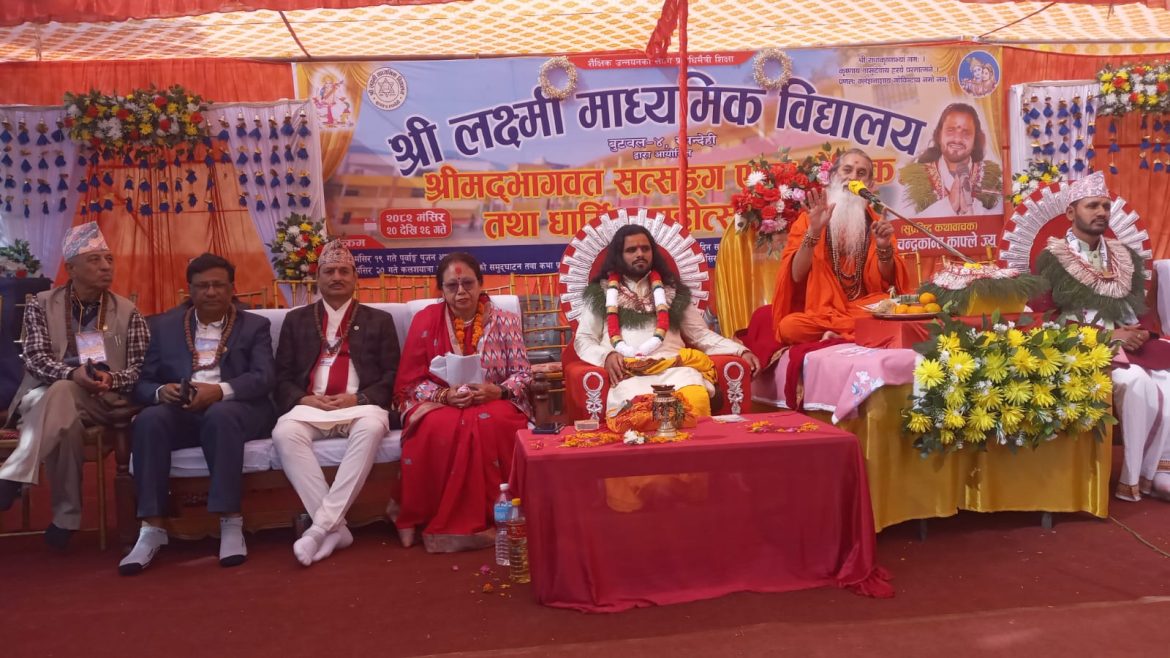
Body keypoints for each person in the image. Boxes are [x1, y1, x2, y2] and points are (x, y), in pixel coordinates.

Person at [119, 253, 276, 575]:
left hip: (237, 410)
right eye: (202, 286)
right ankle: (152, 528)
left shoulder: (255, 325)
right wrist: (161, 392)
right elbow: (142, 382)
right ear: (189, 290)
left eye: (219, 285)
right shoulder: (163, 327)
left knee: (220, 416)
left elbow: (264, 378)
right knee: (149, 420)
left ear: (232, 288)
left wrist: (219, 391)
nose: (211, 292)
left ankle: (230, 521)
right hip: (182, 410)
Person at [0, 222, 148, 549]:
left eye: (109, 259)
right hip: (44, 395)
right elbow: (35, 359)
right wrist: (71, 375)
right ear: (71, 269)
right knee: (63, 406)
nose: (106, 266)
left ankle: (13, 476)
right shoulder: (41, 304)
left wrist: (112, 378)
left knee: (61, 396)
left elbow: (141, 368)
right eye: (95, 260)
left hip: (103, 400)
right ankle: (64, 519)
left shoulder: (128, 311)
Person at [1031, 171, 1170, 503]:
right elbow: (1042, 318)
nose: (1101, 212)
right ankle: (1136, 476)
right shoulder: (1052, 258)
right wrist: (1108, 335)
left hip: (1129, 343)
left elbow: (1140, 308)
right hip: (1082, 347)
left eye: (1105, 206)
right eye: (1092, 205)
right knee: (1137, 383)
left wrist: (1139, 332)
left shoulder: (1124, 255)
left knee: (1167, 377)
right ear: (1071, 212)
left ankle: (1162, 469)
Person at [391, 252, 532, 553]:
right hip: (441, 402)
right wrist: (444, 395)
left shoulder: (504, 321)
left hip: (494, 400)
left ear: (481, 284)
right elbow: (411, 382)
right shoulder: (425, 321)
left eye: (468, 283)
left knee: (489, 422)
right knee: (437, 426)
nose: (461, 292)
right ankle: (424, 516)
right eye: (452, 286)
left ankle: (500, 516)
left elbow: (523, 374)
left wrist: (498, 391)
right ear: (441, 290)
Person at [270, 241, 400, 566]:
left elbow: (392, 375)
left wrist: (358, 398)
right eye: (329, 271)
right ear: (318, 278)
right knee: (284, 433)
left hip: (361, 406)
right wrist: (304, 398)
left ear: (355, 277)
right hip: (311, 406)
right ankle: (335, 528)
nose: (337, 277)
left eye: (344, 271)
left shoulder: (379, 320)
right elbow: (281, 375)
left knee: (372, 428)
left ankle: (319, 529)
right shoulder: (296, 320)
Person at [573, 224, 759, 416]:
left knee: (696, 403)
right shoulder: (601, 293)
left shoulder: (672, 292)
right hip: (630, 376)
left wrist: (740, 350)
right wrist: (606, 356)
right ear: (619, 256)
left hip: (676, 371)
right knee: (638, 416)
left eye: (645, 248)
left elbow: (700, 335)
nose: (640, 254)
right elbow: (584, 338)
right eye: (631, 250)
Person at [772, 148, 910, 344]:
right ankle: (854, 334)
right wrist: (814, 232)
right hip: (821, 312)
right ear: (833, 177)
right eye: (847, 170)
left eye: (861, 173)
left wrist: (883, 247)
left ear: (869, 185)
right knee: (790, 327)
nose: (853, 178)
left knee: (891, 308)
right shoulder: (808, 221)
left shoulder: (877, 225)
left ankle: (836, 336)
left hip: (863, 308)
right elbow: (796, 275)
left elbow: (888, 281)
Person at [898, 103, 1003, 216]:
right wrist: (948, 205)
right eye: (950, 130)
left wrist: (972, 207)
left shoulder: (991, 177)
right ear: (939, 135)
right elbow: (903, 223)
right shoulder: (916, 179)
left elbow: (1002, 219)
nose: (957, 139)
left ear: (975, 139)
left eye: (966, 132)